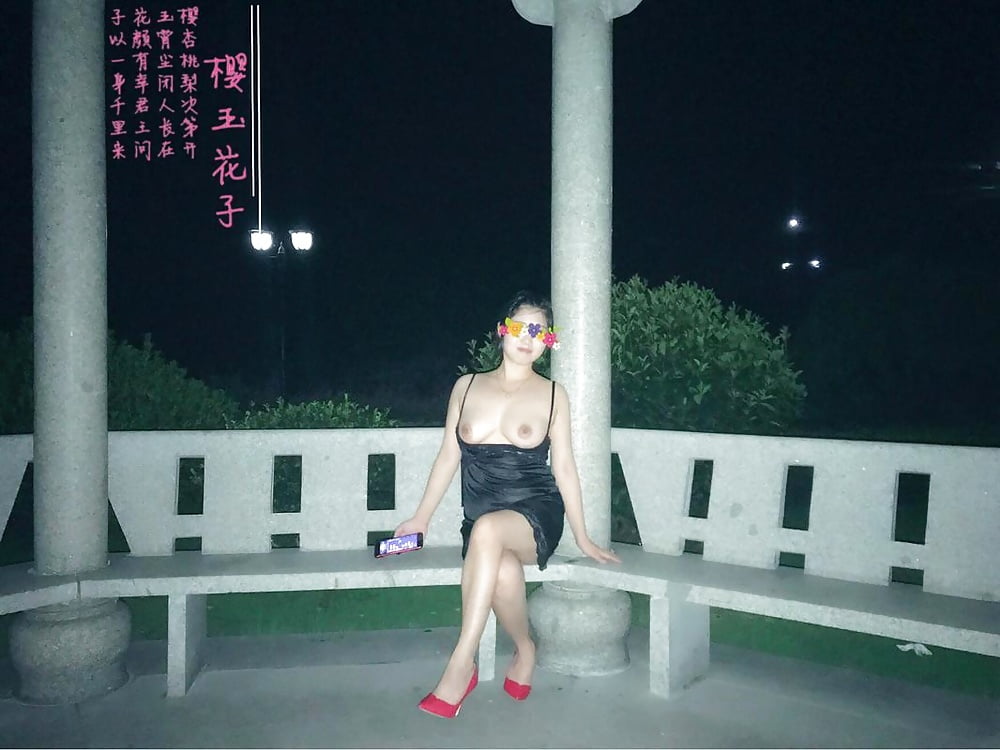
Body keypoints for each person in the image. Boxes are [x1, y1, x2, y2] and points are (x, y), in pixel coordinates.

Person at [393, 290, 620, 719]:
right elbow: (448, 455)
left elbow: (565, 468)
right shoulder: (467, 386)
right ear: (502, 331)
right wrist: (421, 518)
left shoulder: (553, 394)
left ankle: (462, 662)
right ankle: (525, 648)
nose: (528, 337)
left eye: (539, 331)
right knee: (501, 567)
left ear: (548, 341)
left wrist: (583, 537)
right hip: (482, 517)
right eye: (520, 327)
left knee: (490, 531)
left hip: (535, 512)